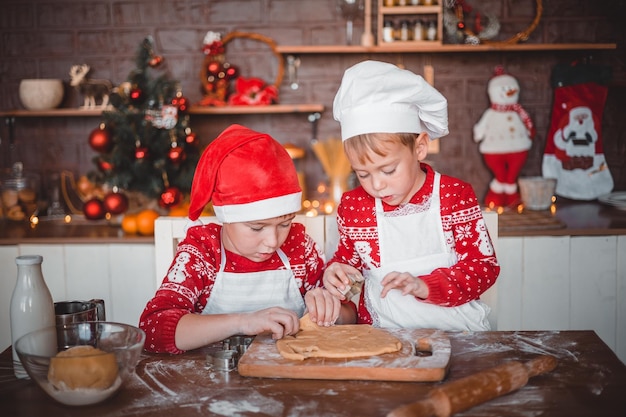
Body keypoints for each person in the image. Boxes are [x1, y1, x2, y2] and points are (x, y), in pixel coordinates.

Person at [318, 60, 500, 331]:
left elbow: (483, 267)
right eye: (363, 174)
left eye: (388, 170)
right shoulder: (355, 206)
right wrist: (335, 273)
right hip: (380, 338)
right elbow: (348, 261)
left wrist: (424, 285)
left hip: (459, 337)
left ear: (420, 147)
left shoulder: (453, 196)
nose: (376, 185)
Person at [139, 124, 340, 354]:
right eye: (256, 228)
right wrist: (243, 322)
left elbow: (347, 314)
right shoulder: (203, 252)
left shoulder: (299, 246)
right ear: (227, 217)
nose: (273, 241)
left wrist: (329, 305)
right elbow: (153, 330)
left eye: (284, 224)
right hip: (211, 381)